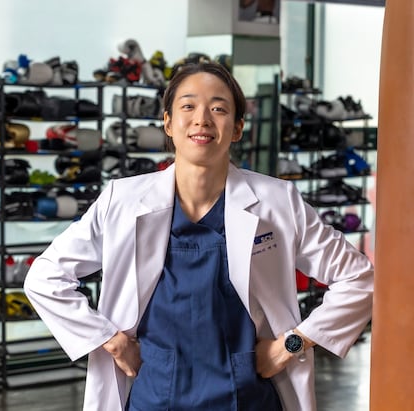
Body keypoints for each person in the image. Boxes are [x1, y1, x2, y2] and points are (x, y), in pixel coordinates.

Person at [23, 61, 374, 411]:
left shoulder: (278, 203)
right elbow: (45, 278)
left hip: (248, 400)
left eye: (218, 109)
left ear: (237, 128)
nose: (202, 119)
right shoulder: (122, 201)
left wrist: (291, 345)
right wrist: (109, 339)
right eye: (188, 106)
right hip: (152, 398)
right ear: (168, 123)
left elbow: (360, 279)